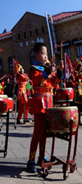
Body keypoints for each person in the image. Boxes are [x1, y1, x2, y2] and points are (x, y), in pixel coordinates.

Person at [27, 42, 63, 173]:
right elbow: (37, 81)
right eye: (43, 53)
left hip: (48, 102)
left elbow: (54, 82)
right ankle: (31, 160)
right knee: (37, 132)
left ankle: (42, 157)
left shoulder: (47, 68)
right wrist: (48, 71)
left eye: (47, 53)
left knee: (46, 132)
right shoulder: (35, 68)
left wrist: (58, 72)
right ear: (36, 55)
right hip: (39, 102)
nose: (46, 56)